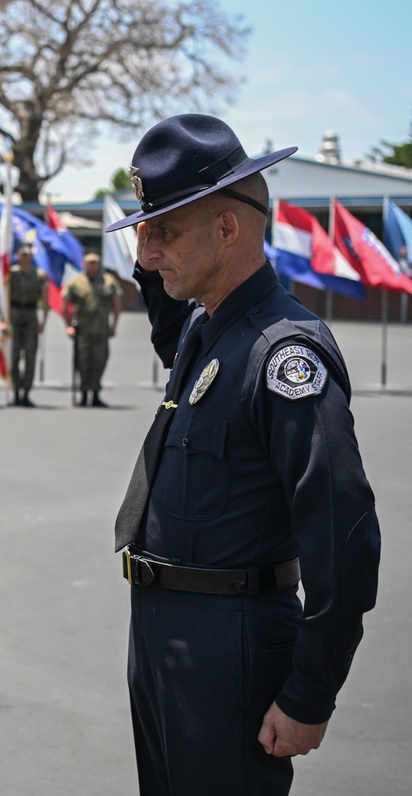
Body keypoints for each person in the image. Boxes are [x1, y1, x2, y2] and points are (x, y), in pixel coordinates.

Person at [108, 114, 381, 796]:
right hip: (163, 633)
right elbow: (172, 326)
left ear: (227, 230)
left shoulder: (281, 354)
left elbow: (344, 537)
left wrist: (309, 693)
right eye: (146, 230)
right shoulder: (210, 329)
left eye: (164, 229)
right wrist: (157, 256)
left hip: (228, 646)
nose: (147, 250)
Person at [63, 251, 123, 407]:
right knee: (82, 362)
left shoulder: (109, 282)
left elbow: (116, 304)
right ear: (84, 264)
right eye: (89, 263)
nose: (92, 265)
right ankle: (83, 394)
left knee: (100, 360)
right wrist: (68, 326)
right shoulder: (76, 282)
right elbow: (66, 305)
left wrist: (114, 325)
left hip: (101, 329)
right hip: (82, 330)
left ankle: (95, 393)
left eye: (95, 263)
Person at [1, 243, 48, 406]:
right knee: (13, 356)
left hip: (30, 315)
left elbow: (45, 299)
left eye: (28, 256)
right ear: (18, 257)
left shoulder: (38, 275)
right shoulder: (11, 274)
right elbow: (3, 297)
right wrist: (4, 320)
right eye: (23, 256)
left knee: (30, 357)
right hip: (15, 314)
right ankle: (15, 391)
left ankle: (26, 392)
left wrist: (44, 320)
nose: (25, 259)